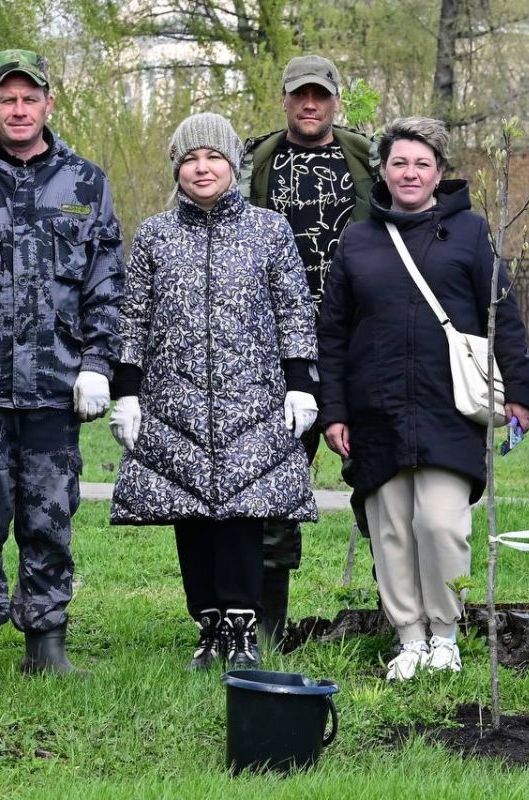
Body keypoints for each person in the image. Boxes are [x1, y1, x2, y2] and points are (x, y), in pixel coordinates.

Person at [0, 49, 123, 681]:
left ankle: (47, 643)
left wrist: (98, 364)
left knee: (51, 515)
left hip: (57, 387)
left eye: (29, 97)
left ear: (48, 103)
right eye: (6, 98)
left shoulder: (85, 183)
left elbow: (105, 284)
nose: (18, 109)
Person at [317, 117, 529, 681]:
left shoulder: (469, 232)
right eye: (399, 163)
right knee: (390, 528)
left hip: (449, 408)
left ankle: (446, 635)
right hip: (375, 408)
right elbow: (333, 332)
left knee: (441, 524)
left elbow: (502, 315)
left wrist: (522, 391)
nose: (410, 173)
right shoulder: (358, 238)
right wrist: (334, 410)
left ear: (439, 172)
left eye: (421, 163)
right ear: (383, 172)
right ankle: (409, 638)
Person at [110, 112, 318, 671]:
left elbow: (294, 309)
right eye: (190, 159)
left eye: (213, 158)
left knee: (245, 513)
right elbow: (134, 316)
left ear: (233, 165)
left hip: (253, 398)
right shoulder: (155, 234)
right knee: (191, 513)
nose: (202, 168)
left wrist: (301, 383)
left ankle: (243, 626)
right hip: (173, 398)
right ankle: (208, 623)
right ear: (177, 167)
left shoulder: (269, 231)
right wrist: (126, 391)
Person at [238, 54, 377, 646]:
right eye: (300, 96)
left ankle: (403, 615)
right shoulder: (255, 161)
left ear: (335, 100)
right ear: (286, 100)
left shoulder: (368, 158)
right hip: (276, 347)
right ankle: (267, 624)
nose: (310, 105)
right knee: (274, 483)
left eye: (320, 95)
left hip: (357, 343)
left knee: (377, 477)